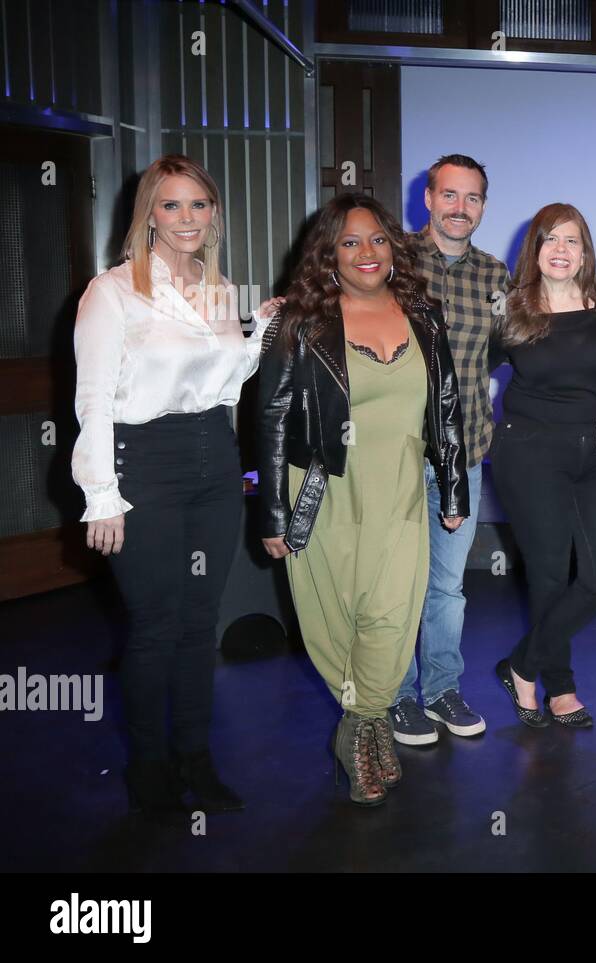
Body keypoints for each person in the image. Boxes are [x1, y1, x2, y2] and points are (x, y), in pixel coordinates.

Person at [73, 154, 267, 816]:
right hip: (144, 462)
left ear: (214, 213)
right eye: (171, 205)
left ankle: (195, 756)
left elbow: (223, 384)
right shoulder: (113, 291)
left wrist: (259, 331)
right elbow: (93, 398)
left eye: (199, 205)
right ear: (148, 214)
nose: (187, 218)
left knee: (198, 623)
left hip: (213, 458)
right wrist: (103, 493)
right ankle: (149, 767)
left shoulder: (220, 290)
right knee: (156, 625)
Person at [259, 193, 468, 806]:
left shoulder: (423, 315)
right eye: (350, 242)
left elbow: (447, 410)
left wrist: (453, 488)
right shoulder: (299, 321)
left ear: (394, 247)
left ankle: (361, 720)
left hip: (401, 490)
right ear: (329, 254)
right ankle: (366, 729)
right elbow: (271, 419)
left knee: (392, 619)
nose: (367, 252)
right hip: (322, 492)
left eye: (377, 239)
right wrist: (273, 512)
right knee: (332, 621)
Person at [488, 203, 596, 728]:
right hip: (529, 452)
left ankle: (523, 664)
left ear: (586, 251)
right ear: (535, 250)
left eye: (572, 240)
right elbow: (462, 367)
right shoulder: (512, 309)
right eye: (550, 239)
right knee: (548, 573)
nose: (562, 250)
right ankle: (560, 688)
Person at [390, 154, 509, 744]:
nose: (461, 208)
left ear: (483, 206)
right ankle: (394, 695)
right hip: (399, 452)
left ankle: (440, 690)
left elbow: (525, 338)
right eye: (450, 196)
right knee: (396, 583)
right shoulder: (394, 262)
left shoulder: (495, 275)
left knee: (447, 586)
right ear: (429, 198)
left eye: (473, 198)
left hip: (464, 454)